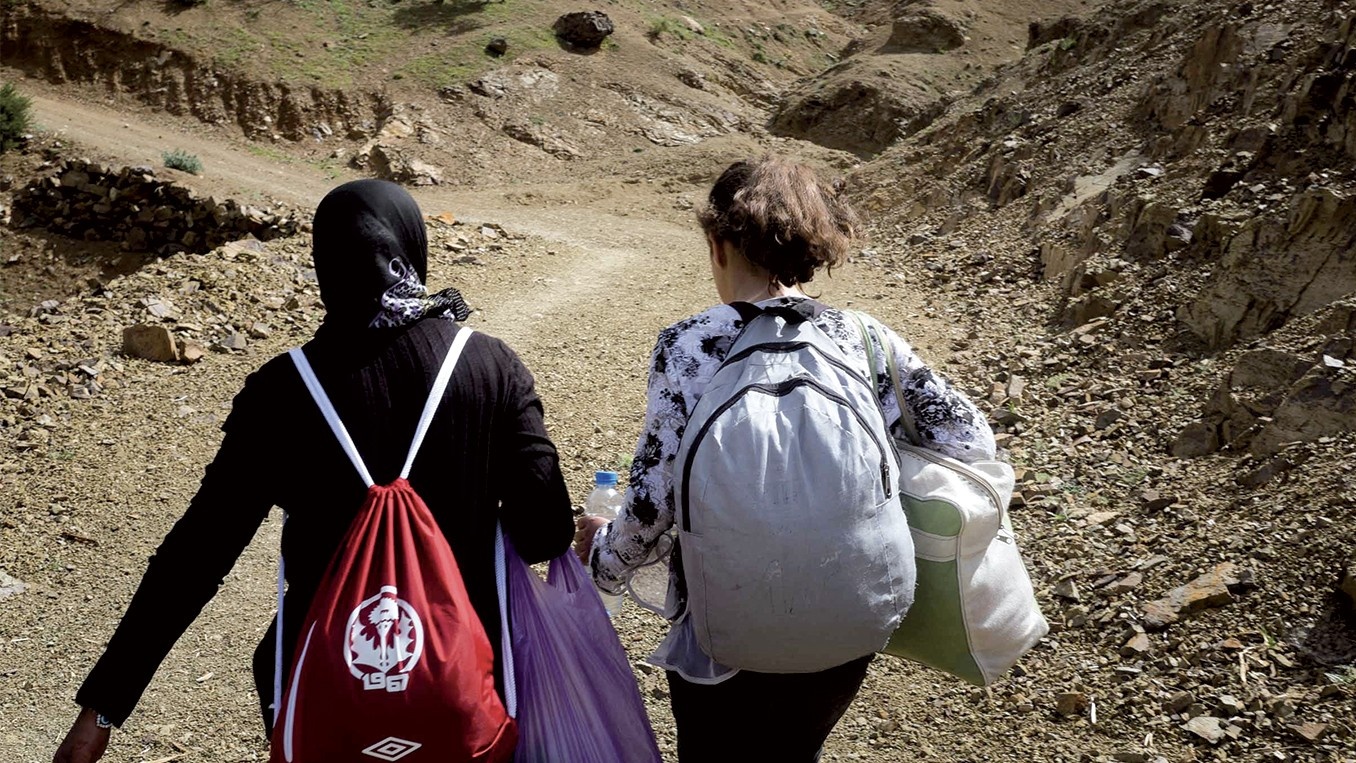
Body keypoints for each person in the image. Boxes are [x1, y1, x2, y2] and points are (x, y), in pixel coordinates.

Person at [54, 179, 575, 763]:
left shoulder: (281, 391)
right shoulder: (491, 366)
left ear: (325, 263)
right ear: (410, 249)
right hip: (468, 680)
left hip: (321, 684)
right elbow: (544, 532)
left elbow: (197, 555)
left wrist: (102, 709)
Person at [574, 155, 998, 762]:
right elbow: (969, 440)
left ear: (718, 244)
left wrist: (603, 565)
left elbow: (652, 500)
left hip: (727, 630)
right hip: (851, 622)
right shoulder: (864, 339)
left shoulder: (689, 344)